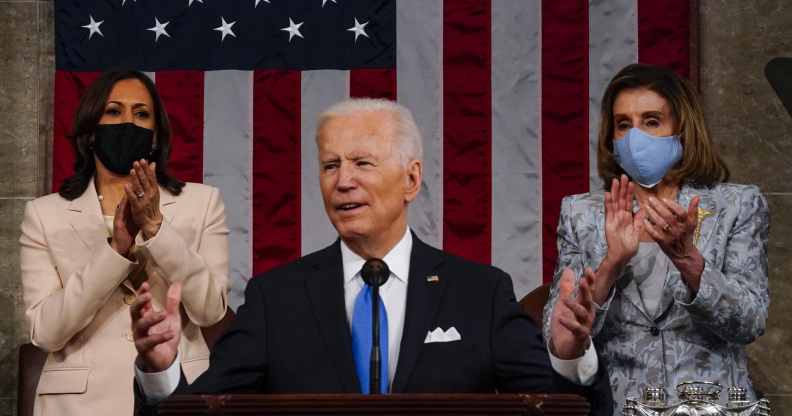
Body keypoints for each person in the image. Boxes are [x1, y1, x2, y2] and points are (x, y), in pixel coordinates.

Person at [131, 98, 612, 414]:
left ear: (411, 179)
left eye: (362, 163)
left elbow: (562, 409)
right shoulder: (276, 299)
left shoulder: (480, 294)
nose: (343, 181)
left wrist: (571, 358)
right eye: (330, 165)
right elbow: (196, 411)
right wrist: (159, 368)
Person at [542, 63, 770, 413]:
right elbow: (560, 344)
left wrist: (689, 262)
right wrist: (611, 264)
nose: (636, 137)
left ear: (682, 128)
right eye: (623, 125)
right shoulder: (581, 214)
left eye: (651, 121)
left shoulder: (737, 205)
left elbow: (749, 322)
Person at [19, 71, 230, 416]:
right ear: (90, 132)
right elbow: (46, 333)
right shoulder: (43, 215)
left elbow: (210, 311)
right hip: (77, 405)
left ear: (154, 135)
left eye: (141, 114)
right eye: (114, 112)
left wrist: (156, 228)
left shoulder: (203, 203)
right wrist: (115, 251)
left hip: (177, 396)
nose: (128, 122)